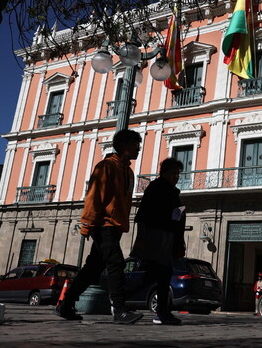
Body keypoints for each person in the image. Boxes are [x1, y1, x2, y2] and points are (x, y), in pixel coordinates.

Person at [55, 129, 144, 324]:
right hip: (103, 224)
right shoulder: (106, 167)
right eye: (135, 144)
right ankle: (119, 310)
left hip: (115, 227)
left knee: (92, 269)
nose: (139, 148)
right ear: (124, 146)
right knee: (116, 263)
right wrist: (87, 224)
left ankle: (65, 304)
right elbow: (94, 196)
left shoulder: (128, 172)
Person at [131, 158, 186, 325]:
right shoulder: (156, 188)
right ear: (165, 172)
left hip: (167, 237)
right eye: (173, 173)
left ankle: (160, 311)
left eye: (178, 174)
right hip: (156, 236)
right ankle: (124, 300)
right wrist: (141, 238)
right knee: (158, 274)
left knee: (160, 274)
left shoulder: (173, 191)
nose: (176, 176)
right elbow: (143, 215)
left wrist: (179, 240)